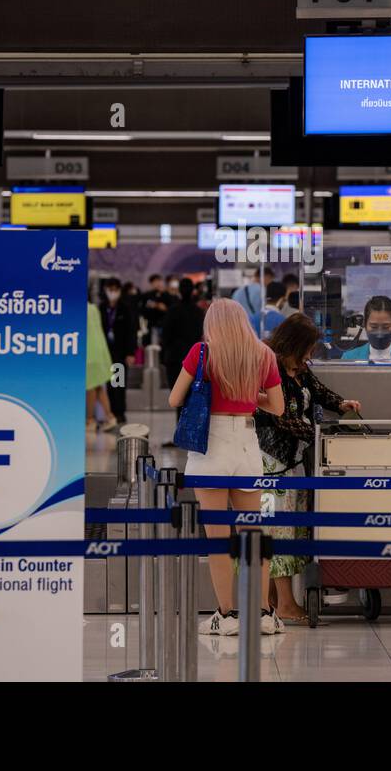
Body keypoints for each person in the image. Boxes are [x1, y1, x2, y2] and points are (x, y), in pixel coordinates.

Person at [169, 298, 285, 637]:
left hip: (211, 448)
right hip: (247, 445)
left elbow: (175, 399)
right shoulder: (263, 354)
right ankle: (264, 613)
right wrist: (250, 398)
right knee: (254, 536)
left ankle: (227, 615)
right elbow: (277, 407)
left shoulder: (201, 353)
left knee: (218, 539)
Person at [255, 313, 362, 624]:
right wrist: (322, 434)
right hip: (271, 461)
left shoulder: (299, 369)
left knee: (287, 529)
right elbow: (281, 419)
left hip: (294, 460)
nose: (311, 354)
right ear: (294, 343)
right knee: (280, 531)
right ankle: (286, 605)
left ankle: (271, 604)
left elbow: (319, 391)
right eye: (309, 348)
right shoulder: (270, 368)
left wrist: (342, 404)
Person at [161, 278, 206, 447]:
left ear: (179, 290)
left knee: (178, 396)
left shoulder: (173, 310)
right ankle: (192, 434)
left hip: (175, 359)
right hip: (196, 359)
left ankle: (180, 434)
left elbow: (165, 336)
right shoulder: (198, 311)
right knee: (193, 396)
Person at [99, 277, 137, 425]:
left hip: (120, 353)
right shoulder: (102, 308)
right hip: (105, 353)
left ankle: (120, 412)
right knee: (109, 384)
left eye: (115, 290)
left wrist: (130, 352)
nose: (112, 293)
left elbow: (131, 331)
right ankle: (111, 413)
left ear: (120, 291)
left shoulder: (125, 309)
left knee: (118, 383)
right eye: (110, 289)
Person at [342, 295, 391, 360]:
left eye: (386, 327)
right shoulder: (349, 358)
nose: (379, 334)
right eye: (374, 326)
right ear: (364, 324)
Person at [85, 299, 116, 432]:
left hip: (89, 352)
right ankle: (110, 417)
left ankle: (90, 420)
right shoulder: (93, 308)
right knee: (98, 388)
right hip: (100, 351)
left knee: (91, 387)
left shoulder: (81, 310)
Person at [140, 273, 174, 344]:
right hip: (151, 325)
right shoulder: (146, 296)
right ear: (151, 283)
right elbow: (142, 310)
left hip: (163, 325)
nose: (157, 284)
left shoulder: (166, 295)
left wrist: (161, 307)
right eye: (154, 282)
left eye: (158, 281)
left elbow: (170, 309)